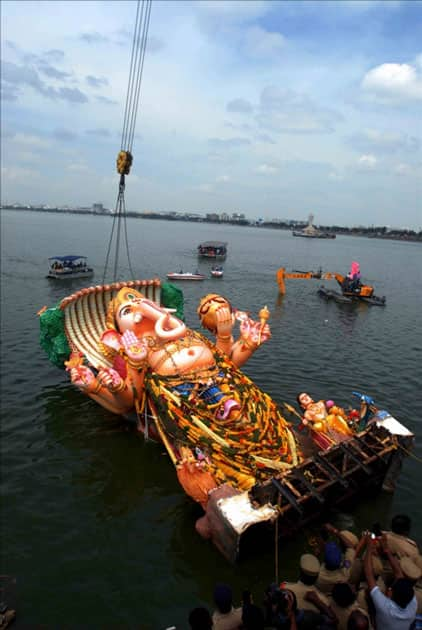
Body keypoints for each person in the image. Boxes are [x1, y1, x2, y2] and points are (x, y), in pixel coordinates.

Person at [69, 288, 300, 507]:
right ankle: (241, 476)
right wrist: (115, 381)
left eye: (143, 305)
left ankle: (282, 454)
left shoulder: (186, 333)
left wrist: (236, 338)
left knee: (255, 416)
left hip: (224, 384)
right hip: (185, 397)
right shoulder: (135, 348)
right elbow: (133, 399)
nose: (139, 310)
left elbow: (226, 363)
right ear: (118, 332)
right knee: (223, 428)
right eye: (127, 311)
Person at [363, 532, 417, 629]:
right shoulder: (412, 604)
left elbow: (368, 574)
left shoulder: (385, 608)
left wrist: (369, 547)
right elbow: (399, 574)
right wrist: (387, 550)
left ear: (391, 595)